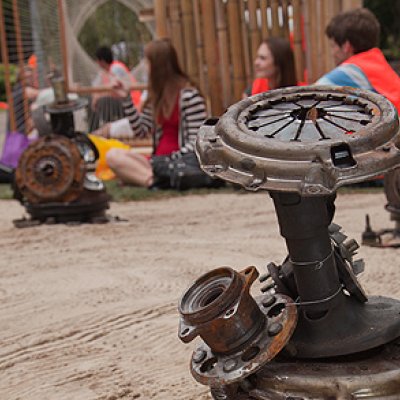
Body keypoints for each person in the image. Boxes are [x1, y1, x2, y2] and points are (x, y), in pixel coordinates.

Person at [92, 39, 208, 189]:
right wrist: (126, 99)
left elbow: (197, 142)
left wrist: (167, 161)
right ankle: (154, 181)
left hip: (182, 162)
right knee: (113, 155)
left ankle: (150, 179)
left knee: (125, 164)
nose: (145, 69)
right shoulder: (155, 97)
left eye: (147, 63)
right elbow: (141, 131)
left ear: (158, 66)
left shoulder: (190, 96)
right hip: (157, 163)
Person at [315, 8, 400, 112]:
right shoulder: (379, 64)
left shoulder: (350, 72)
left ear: (346, 46)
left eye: (333, 46)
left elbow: (306, 97)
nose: (333, 53)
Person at [90, 46, 141, 129]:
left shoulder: (116, 68)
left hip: (132, 104)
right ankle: (94, 129)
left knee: (103, 101)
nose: (96, 63)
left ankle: (106, 128)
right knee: (93, 100)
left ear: (102, 61)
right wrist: (95, 96)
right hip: (121, 104)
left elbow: (116, 91)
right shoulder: (104, 71)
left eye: (97, 60)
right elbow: (95, 86)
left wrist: (98, 96)